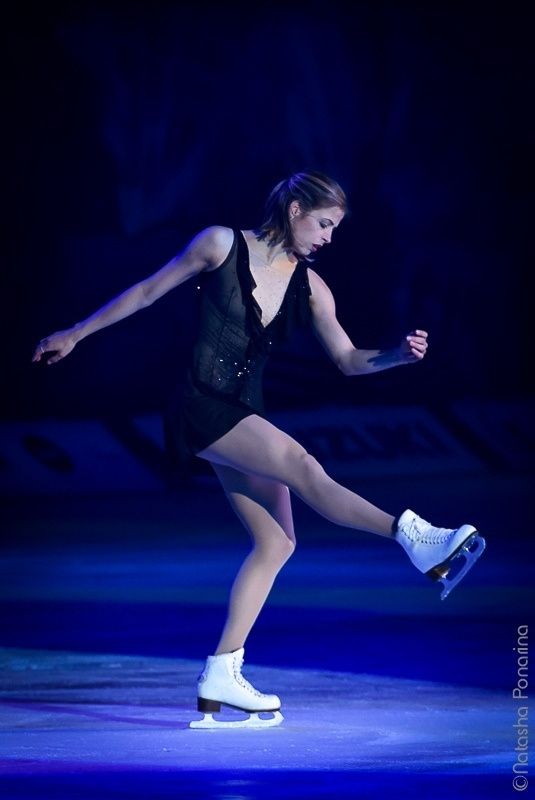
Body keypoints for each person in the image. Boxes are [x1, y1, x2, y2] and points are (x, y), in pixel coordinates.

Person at [32, 170, 485, 729]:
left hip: (242, 411)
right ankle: (416, 538)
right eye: (324, 223)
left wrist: (397, 356)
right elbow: (148, 290)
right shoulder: (219, 244)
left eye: (335, 229)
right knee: (301, 465)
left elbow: (346, 360)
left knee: (276, 542)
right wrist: (76, 332)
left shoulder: (312, 287)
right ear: (295, 209)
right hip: (203, 402)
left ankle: (223, 671)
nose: (328, 237)